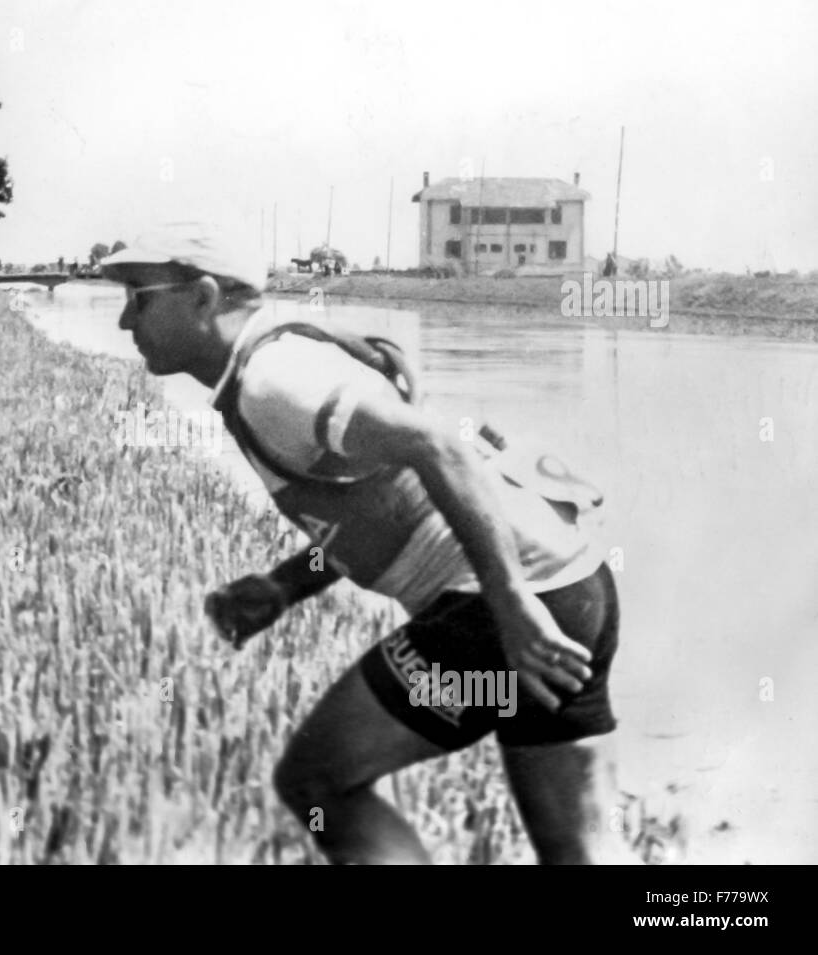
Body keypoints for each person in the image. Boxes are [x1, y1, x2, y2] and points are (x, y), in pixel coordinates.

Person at [100, 221, 635, 865]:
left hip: (498, 613)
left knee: (318, 780)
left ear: (205, 297)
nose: (125, 321)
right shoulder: (271, 367)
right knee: (585, 856)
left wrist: (511, 603)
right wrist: (284, 587)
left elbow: (433, 445)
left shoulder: (276, 381)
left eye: (139, 296)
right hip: (574, 590)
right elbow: (377, 506)